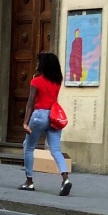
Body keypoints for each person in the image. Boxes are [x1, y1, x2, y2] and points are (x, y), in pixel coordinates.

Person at [20, 52, 72, 195]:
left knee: (28, 147)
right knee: (55, 150)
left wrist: (25, 123)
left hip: (39, 116)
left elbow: (30, 103)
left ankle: (29, 181)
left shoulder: (36, 81)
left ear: (43, 65)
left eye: (38, 63)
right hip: (53, 116)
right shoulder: (57, 81)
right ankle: (65, 179)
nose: (36, 65)